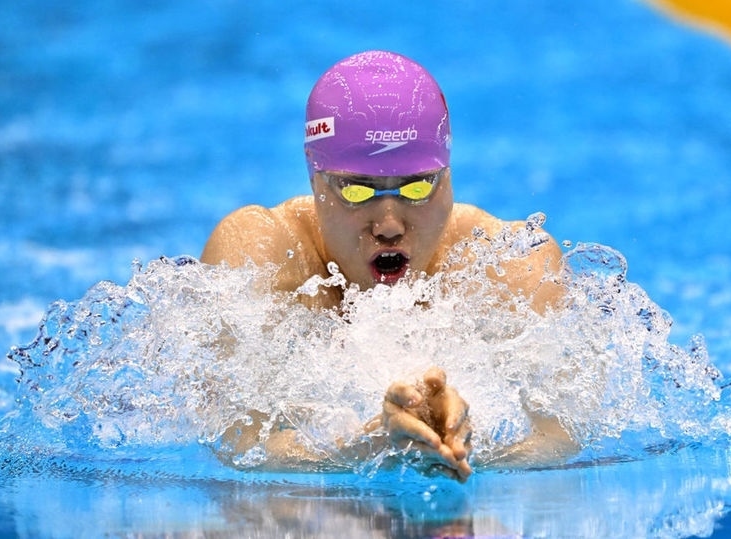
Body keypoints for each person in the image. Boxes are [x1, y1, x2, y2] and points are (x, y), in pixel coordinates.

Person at [202, 50, 570, 482]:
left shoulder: (511, 263)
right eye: (357, 192)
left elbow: (562, 439)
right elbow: (236, 443)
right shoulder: (262, 255)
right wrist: (370, 445)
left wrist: (456, 443)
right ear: (315, 181)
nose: (390, 226)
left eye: (416, 189)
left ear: (447, 177)